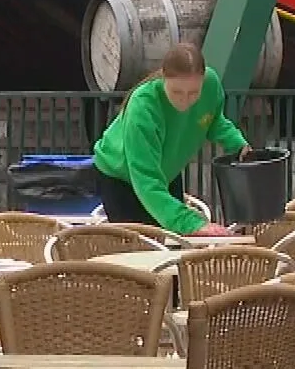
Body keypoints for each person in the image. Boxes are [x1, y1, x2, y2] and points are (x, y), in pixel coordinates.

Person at [91, 42, 246, 236]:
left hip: (166, 171)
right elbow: (147, 181)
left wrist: (238, 144)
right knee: (140, 247)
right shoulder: (143, 106)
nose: (185, 100)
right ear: (163, 78)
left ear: (203, 79)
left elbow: (213, 120)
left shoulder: (211, 84)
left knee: (175, 239)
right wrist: (191, 223)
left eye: (193, 93)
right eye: (177, 92)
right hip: (121, 176)